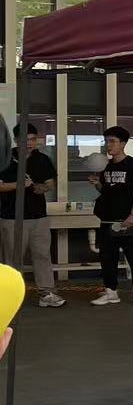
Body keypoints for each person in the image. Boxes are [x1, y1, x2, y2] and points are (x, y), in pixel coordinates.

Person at [1, 123, 62, 307]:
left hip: (39, 217)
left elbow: (50, 183)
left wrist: (42, 187)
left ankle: (47, 293)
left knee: (42, 255)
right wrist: (18, 185)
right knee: (13, 258)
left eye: (33, 139)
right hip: (12, 218)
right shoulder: (5, 158)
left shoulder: (42, 159)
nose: (29, 143)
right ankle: (10, 296)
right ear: (16, 140)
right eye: (25, 140)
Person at [89, 126, 133, 307]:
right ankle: (111, 291)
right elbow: (105, 191)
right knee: (108, 258)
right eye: (107, 141)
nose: (109, 145)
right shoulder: (104, 166)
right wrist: (97, 184)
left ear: (122, 144)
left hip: (128, 220)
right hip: (108, 219)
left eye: (113, 141)